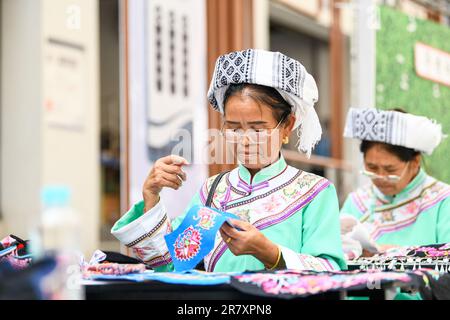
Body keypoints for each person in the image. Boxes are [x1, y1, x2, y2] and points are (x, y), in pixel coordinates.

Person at [111, 49, 346, 272]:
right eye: (233, 128)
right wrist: (151, 197)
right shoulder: (212, 191)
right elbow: (173, 264)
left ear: (287, 126)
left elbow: (331, 270)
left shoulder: (315, 193)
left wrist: (270, 253)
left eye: (258, 129)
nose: (245, 141)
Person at [340, 107, 450, 258]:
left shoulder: (443, 201)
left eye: (390, 170)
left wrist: (394, 253)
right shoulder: (357, 202)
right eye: (371, 167)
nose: (380, 177)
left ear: (415, 162)